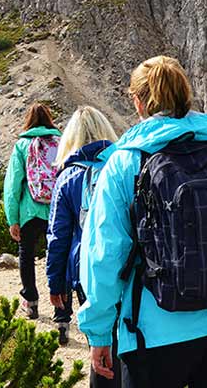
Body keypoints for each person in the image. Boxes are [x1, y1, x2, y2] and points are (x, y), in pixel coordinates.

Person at [78, 56, 207, 388]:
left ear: (138, 102)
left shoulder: (125, 162)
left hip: (155, 330)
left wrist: (100, 332)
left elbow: (104, 255)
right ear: (186, 94)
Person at [46, 106, 120, 387]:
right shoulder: (122, 166)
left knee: (100, 343)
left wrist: (55, 284)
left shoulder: (67, 178)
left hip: (86, 273)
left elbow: (58, 237)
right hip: (126, 266)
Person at [4, 102, 62, 319]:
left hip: (30, 212)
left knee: (26, 255)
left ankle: (31, 302)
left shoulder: (22, 145)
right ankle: (60, 308)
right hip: (57, 210)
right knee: (57, 256)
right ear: (49, 118)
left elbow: (13, 184)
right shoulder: (60, 141)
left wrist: (13, 218)